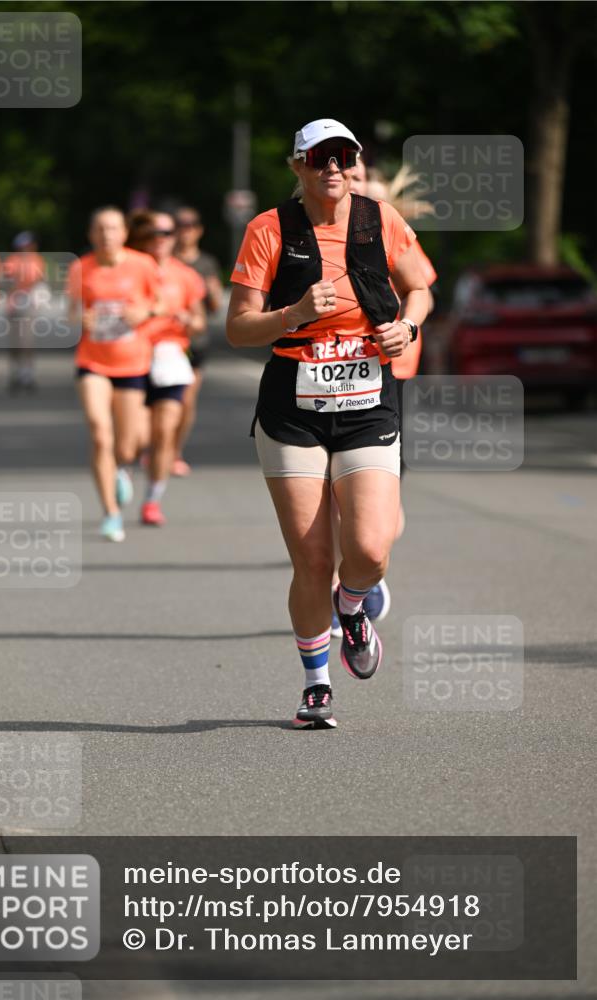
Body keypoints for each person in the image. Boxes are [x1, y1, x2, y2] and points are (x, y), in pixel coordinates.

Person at [227, 119, 428, 729]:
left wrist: (408, 327)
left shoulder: (380, 220)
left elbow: (419, 287)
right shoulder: (269, 230)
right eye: (320, 158)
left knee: (369, 549)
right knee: (312, 558)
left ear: (356, 162)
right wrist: (292, 313)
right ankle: (316, 684)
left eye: (343, 156)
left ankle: (353, 606)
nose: (333, 167)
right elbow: (238, 329)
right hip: (293, 408)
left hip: (368, 401)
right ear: (298, 166)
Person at [328, 158, 438, 636]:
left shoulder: (392, 230)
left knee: (384, 514)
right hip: (336, 378)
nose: (353, 187)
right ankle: (343, 589)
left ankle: (364, 570)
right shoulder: (315, 233)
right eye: (349, 180)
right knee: (334, 497)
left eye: (361, 181)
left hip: (394, 379)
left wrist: (405, 326)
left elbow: (422, 291)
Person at [67, 207, 159, 542]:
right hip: (92, 361)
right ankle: (110, 513)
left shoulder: (142, 265)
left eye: (113, 228)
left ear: (123, 233)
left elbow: (160, 303)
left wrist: (143, 312)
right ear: (92, 235)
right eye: (100, 229)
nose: (107, 235)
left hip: (132, 363)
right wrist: (81, 321)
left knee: (128, 444)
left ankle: (123, 468)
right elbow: (70, 315)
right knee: (99, 432)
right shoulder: (81, 268)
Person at [127, 211, 206, 526]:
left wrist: (189, 320)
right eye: (154, 234)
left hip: (171, 356)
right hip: (131, 356)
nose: (161, 240)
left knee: (164, 432)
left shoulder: (185, 275)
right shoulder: (129, 269)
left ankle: (152, 500)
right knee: (135, 436)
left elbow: (200, 322)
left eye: (167, 233)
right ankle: (124, 467)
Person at [172, 206, 224, 475]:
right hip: (165, 341)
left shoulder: (206, 263)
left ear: (199, 230)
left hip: (196, 341)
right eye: (180, 224)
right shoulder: (163, 260)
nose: (186, 230)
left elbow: (214, 308)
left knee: (186, 400)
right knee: (162, 401)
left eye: (191, 225)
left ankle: (175, 451)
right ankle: (158, 446)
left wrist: (214, 292)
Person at [2, 231, 47, 393]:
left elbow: (40, 281)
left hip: (29, 304)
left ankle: (27, 374)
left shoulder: (37, 260)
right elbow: (7, 282)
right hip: (15, 304)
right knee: (15, 342)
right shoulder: (12, 260)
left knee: (27, 341)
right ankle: (15, 373)